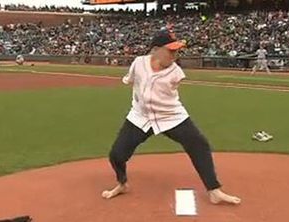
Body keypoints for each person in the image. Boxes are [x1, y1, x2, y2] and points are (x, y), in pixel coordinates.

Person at [102, 30, 241, 205]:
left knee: (199, 144)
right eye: (170, 50)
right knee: (116, 155)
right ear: (155, 49)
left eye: (177, 51)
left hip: (170, 115)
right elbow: (129, 80)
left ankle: (214, 190)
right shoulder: (138, 63)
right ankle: (122, 184)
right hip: (140, 116)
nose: (175, 55)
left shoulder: (176, 73)